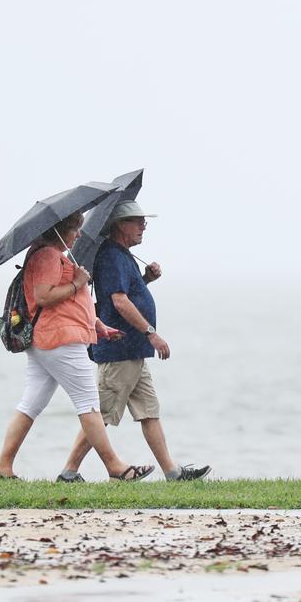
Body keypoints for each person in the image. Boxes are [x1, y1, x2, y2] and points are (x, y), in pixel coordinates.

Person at [0, 211, 155, 482]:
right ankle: (115, 467)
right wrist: (77, 282)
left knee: (31, 404)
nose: (78, 235)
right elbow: (43, 296)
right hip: (61, 341)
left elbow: (69, 303)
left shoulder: (52, 255)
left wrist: (97, 324)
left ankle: (3, 468)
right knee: (89, 405)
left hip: (51, 340)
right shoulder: (46, 255)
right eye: (74, 230)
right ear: (59, 230)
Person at [58, 201, 210, 482]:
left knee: (149, 412)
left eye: (144, 221)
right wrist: (151, 332)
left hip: (133, 351)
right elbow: (118, 301)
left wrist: (146, 280)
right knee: (102, 414)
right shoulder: (111, 256)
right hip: (119, 350)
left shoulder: (123, 255)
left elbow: (125, 292)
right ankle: (69, 471)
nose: (143, 226)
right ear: (119, 225)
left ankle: (173, 473)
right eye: (137, 221)